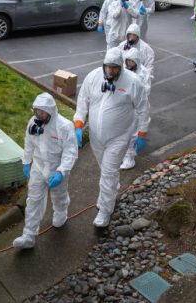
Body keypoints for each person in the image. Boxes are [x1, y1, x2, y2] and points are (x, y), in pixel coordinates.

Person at [74, 48, 149, 227]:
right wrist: (78, 123)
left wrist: (141, 133)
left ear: (120, 67)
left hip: (119, 137)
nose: (110, 71)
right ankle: (111, 190)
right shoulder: (93, 77)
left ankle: (105, 211)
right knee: (106, 169)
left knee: (108, 172)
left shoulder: (133, 82)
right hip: (96, 137)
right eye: (108, 67)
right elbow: (83, 99)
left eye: (114, 68)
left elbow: (143, 108)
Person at [13, 93, 78, 249]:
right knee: (33, 200)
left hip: (57, 167)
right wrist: (26, 162)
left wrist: (61, 171)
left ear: (51, 111)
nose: (39, 114)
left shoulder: (64, 126)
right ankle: (28, 235)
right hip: (38, 166)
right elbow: (28, 143)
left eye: (42, 111)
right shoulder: (33, 123)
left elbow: (71, 152)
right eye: (37, 111)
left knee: (58, 194)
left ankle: (61, 212)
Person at [120, 47, 152, 170]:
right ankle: (124, 154)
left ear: (137, 61)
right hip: (125, 106)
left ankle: (129, 158)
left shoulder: (143, 73)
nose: (129, 64)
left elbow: (145, 91)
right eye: (128, 61)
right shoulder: (123, 70)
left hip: (137, 107)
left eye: (132, 62)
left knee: (133, 133)